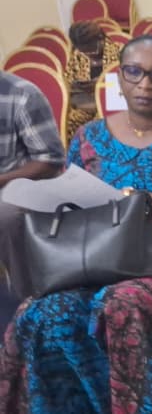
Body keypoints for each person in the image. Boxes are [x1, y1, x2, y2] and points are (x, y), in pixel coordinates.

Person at [0, 36, 152, 413]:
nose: (145, 84)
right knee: (42, 312)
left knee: (121, 307)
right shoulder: (90, 136)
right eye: (134, 72)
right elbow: (72, 203)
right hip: (104, 259)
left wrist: (137, 201)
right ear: (119, 78)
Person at [0, 71, 64, 327]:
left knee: (6, 215)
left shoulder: (21, 94)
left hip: (12, 187)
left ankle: (26, 309)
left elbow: (49, 161)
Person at [63, 20, 122, 140]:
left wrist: (100, 85)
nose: (89, 54)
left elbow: (127, 85)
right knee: (67, 124)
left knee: (95, 128)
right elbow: (67, 81)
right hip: (84, 106)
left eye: (92, 49)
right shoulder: (78, 56)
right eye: (85, 51)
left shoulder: (120, 53)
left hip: (110, 107)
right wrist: (76, 86)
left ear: (101, 39)